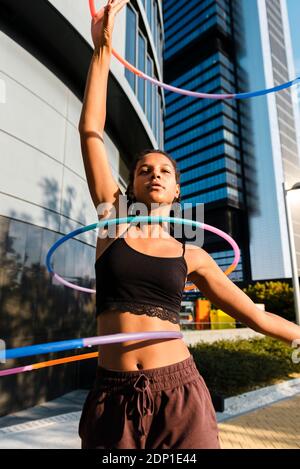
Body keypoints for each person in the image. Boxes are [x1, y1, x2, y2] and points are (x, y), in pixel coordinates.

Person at [77, 0, 300, 449]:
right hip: (111, 397)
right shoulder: (112, 223)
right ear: (132, 184)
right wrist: (101, 52)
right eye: (144, 169)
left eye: (164, 171)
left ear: (177, 190)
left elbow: (253, 314)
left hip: (179, 394)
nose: (154, 174)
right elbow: (90, 131)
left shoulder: (192, 254)